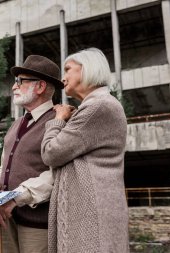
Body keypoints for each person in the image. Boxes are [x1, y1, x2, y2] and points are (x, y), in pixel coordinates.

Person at [41, 48, 129, 253]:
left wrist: (58, 120)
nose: (63, 77)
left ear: (87, 69)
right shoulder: (96, 107)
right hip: (92, 209)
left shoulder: (97, 107)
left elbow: (51, 153)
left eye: (68, 69)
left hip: (92, 212)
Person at [0, 55, 64, 253]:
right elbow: (4, 166)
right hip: (5, 218)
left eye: (20, 81)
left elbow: (57, 175)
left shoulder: (59, 122)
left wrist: (15, 198)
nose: (13, 87)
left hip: (37, 224)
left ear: (40, 87)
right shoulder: (16, 124)